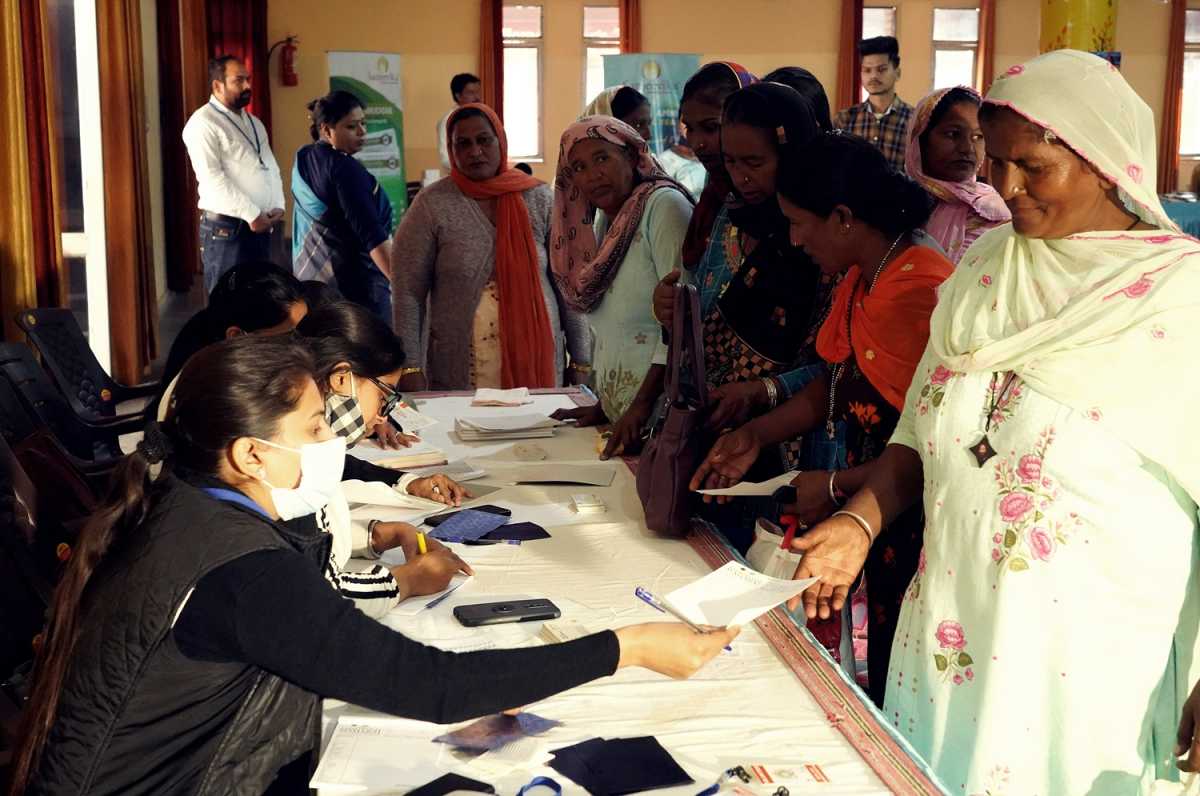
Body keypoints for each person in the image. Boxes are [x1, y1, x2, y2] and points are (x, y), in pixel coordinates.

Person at [7, 335, 738, 796]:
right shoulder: (237, 569)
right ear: (251, 455)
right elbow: (434, 686)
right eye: (319, 428)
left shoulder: (188, 505)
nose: (337, 441)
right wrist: (630, 647)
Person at [788, 51, 1200, 793]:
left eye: (1032, 168)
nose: (1004, 188)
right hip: (956, 636)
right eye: (995, 160)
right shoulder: (984, 270)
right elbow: (921, 433)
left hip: (1090, 666)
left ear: (1106, 160)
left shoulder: (1180, 300)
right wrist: (860, 523)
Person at [691, 132, 950, 703]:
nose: (793, 239)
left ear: (843, 217)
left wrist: (835, 487)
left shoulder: (918, 293)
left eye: (799, 222)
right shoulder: (865, 278)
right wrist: (755, 435)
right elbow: (834, 384)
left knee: (899, 670)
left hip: (906, 521)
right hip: (871, 513)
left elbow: (932, 450)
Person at [656, 69, 839, 473]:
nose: (740, 177)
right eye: (730, 162)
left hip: (798, 441)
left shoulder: (827, 229)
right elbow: (705, 316)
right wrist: (673, 311)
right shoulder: (729, 212)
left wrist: (764, 391)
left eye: (753, 162)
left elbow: (841, 360)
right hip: (719, 427)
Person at [296, 301, 473, 618]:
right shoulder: (291, 460)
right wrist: (408, 579)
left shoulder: (308, 449)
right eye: (384, 395)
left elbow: (302, 543)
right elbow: (313, 595)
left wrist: (372, 535)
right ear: (341, 379)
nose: (380, 417)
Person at [392, 104, 587, 391]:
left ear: (500, 141)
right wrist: (410, 366)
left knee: (538, 433)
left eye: (484, 140)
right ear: (451, 149)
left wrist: (581, 359)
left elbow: (569, 284)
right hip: (461, 366)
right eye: (463, 143)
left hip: (536, 360)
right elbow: (407, 291)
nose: (474, 151)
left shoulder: (538, 199)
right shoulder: (431, 205)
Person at [548, 117, 694, 459]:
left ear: (632, 156)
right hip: (623, 417)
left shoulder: (663, 207)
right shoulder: (605, 221)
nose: (591, 175)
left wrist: (641, 407)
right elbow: (616, 330)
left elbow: (682, 320)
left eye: (602, 158)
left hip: (659, 417)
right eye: (579, 167)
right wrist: (605, 405)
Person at [147, 262, 306, 422]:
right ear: (237, 335)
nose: (299, 343)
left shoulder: (210, 324)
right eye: (288, 335)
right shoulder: (221, 390)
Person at [182, 56, 285, 292]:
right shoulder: (202, 123)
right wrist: (252, 214)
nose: (248, 86)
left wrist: (277, 203)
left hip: (261, 224)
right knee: (226, 305)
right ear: (218, 85)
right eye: (239, 80)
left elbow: (269, 163)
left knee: (258, 302)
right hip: (227, 231)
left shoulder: (254, 122)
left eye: (248, 79)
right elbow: (213, 180)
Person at [292, 90, 394, 326]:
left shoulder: (304, 156)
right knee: (370, 355)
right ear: (327, 130)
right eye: (351, 127)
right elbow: (372, 236)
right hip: (356, 287)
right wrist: (402, 284)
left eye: (363, 123)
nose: (362, 132)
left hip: (312, 282)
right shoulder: (345, 169)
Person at [905, 86, 1010, 263]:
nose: (967, 149)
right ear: (921, 139)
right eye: (953, 134)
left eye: (978, 137)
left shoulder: (994, 213)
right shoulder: (896, 207)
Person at [679, 62, 757, 269]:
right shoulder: (715, 190)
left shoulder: (774, 198)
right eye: (690, 128)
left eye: (711, 127)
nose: (697, 143)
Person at [833, 37, 913, 173]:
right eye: (867, 70)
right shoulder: (844, 119)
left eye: (881, 70)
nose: (873, 76)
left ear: (897, 73)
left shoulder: (914, 120)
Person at [437, 73, 483, 172]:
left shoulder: (482, 117)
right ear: (458, 96)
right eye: (471, 93)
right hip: (462, 178)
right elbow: (445, 158)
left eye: (478, 92)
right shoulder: (448, 120)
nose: (477, 97)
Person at [584, 86, 653, 142]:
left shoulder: (646, 158)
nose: (649, 135)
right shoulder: (579, 157)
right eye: (638, 125)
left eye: (649, 124)